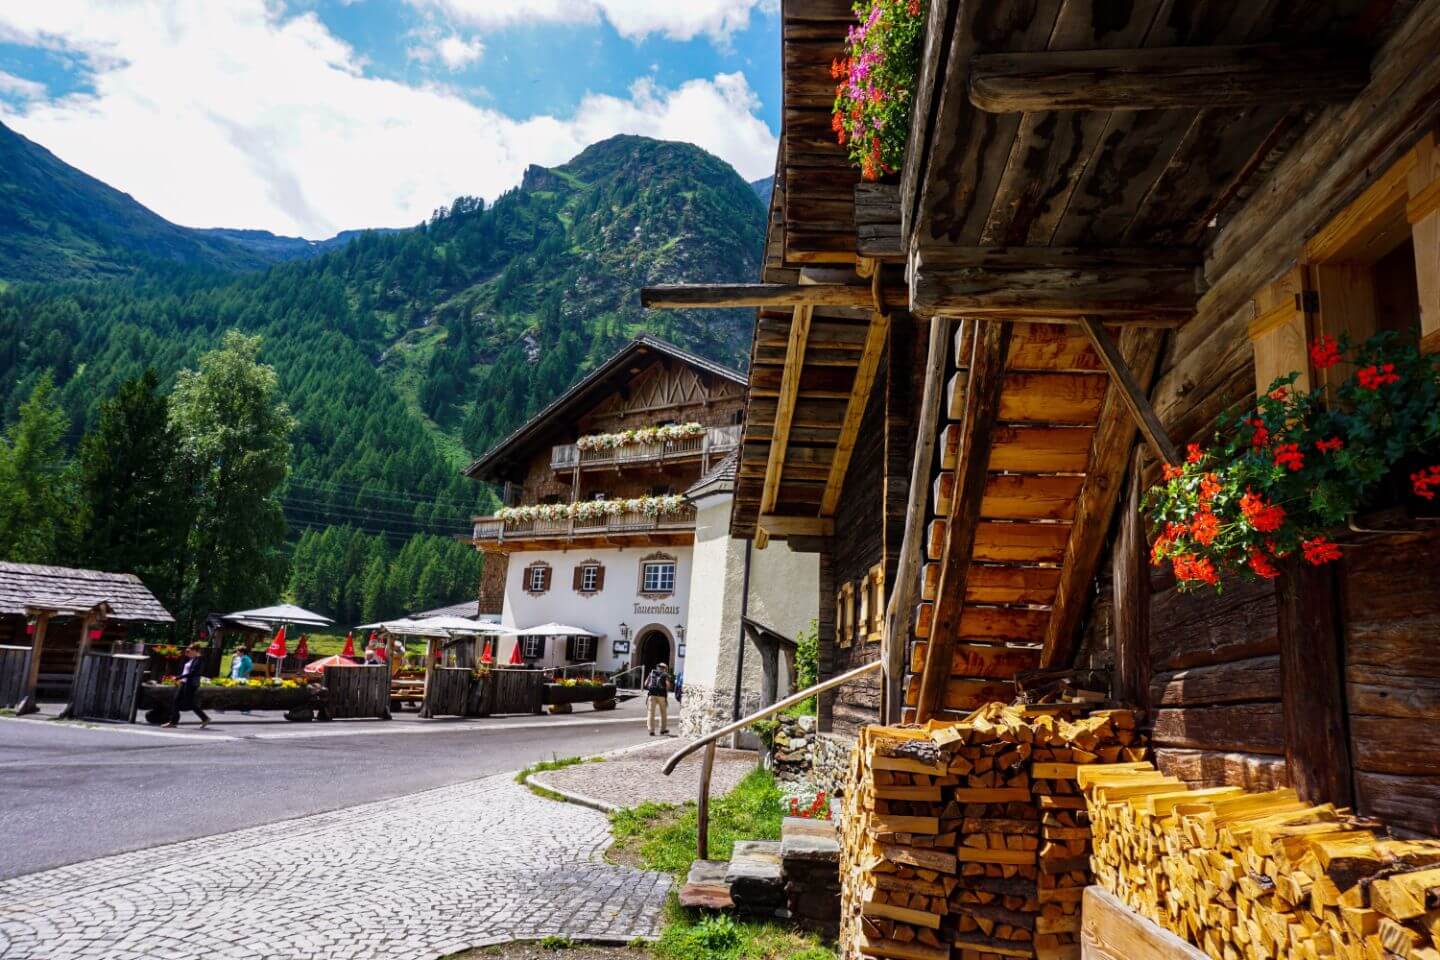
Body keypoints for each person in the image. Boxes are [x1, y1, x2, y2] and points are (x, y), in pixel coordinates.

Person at [164, 643, 211, 729]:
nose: (188, 652)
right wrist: (180, 678)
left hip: (190, 684)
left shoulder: (199, 660)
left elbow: (192, 673)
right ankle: (173, 722)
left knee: (189, 703)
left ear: (196, 650)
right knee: (176, 701)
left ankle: (205, 718)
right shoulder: (193, 659)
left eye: (190, 650)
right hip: (184, 683)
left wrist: (178, 677)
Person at [643, 662, 672, 736]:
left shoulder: (652, 673)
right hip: (661, 696)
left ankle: (651, 730)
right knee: (663, 713)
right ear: (665, 668)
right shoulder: (665, 675)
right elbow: (668, 686)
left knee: (651, 713)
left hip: (652, 695)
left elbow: (645, 684)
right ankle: (662, 729)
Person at [230, 644, 254, 715]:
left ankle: (247, 709)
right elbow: (232, 667)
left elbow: (250, 667)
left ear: (242, 652)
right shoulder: (236, 658)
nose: (236, 653)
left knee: (243, 694)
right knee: (235, 693)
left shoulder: (246, 659)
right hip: (234, 677)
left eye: (237, 651)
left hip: (242, 679)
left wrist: (244, 674)